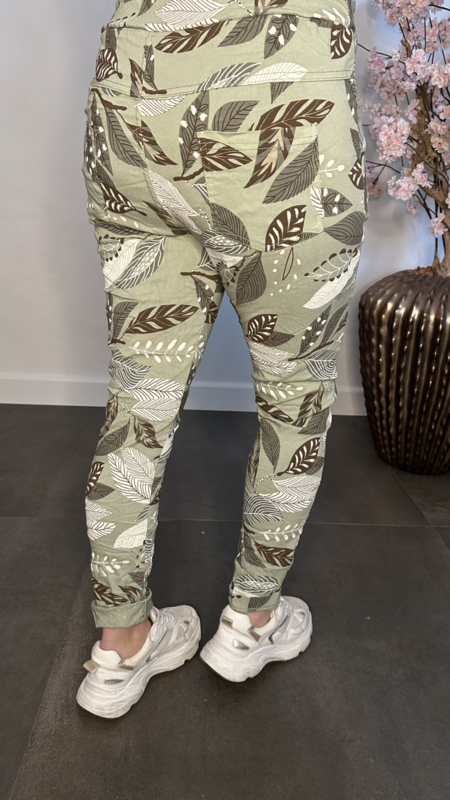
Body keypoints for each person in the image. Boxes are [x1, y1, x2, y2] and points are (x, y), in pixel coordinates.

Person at [76, 0, 369, 718]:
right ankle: (252, 621)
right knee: (294, 397)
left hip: (135, 97)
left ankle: (120, 644)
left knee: (139, 397)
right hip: (285, 102)